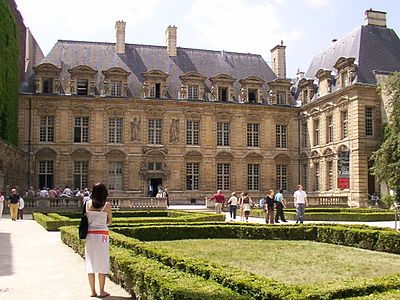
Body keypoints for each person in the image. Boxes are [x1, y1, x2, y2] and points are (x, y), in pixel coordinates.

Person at [85, 183, 112, 298]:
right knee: (102, 261)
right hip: (102, 236)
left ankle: (93, 291)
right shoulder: (107, 205)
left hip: (90, 235)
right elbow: (110, 221)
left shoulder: (88, 204)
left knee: (90, 262)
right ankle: (102, 291)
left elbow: (86, 219)